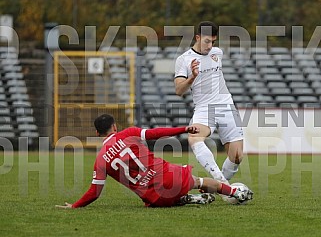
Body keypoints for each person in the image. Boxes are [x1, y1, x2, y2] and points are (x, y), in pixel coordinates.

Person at [56, 114, 251, 209]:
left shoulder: (100, 160)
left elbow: (94, 192)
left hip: (153, 198)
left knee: (156, 198)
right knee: (200, 182)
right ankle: (235, 192)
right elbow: (156, 133)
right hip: (169, 179)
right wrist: (183, 129)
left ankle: (188, 199)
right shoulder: (129, 133)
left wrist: (74, 206)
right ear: (115, 126)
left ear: (97, 133)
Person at [174, 21, 244, 184]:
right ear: (197, 38)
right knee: (194, 138)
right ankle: (223, 184)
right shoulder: (184, 60)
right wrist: (192, 77)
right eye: (207, 41)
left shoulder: (217, 53)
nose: (210, 45)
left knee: (237, 156)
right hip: (204, 109)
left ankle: (219, 186)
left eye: (213, 41)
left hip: (227, 105)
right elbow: (178, 90)